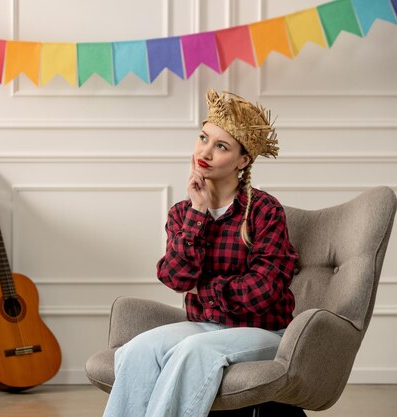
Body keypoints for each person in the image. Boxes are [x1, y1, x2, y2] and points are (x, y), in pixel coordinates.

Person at [102, 90, 300, 417]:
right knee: (138, 349)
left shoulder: (265, 210)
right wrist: (198, 210)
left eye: (221, 146)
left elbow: (264, 289)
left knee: (193, 351)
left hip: (264, 333)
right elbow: (177, 278)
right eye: (203, 138)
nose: (204, 152)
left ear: (243, 160)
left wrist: (204, 289)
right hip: (206, 325)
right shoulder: (183, 212)